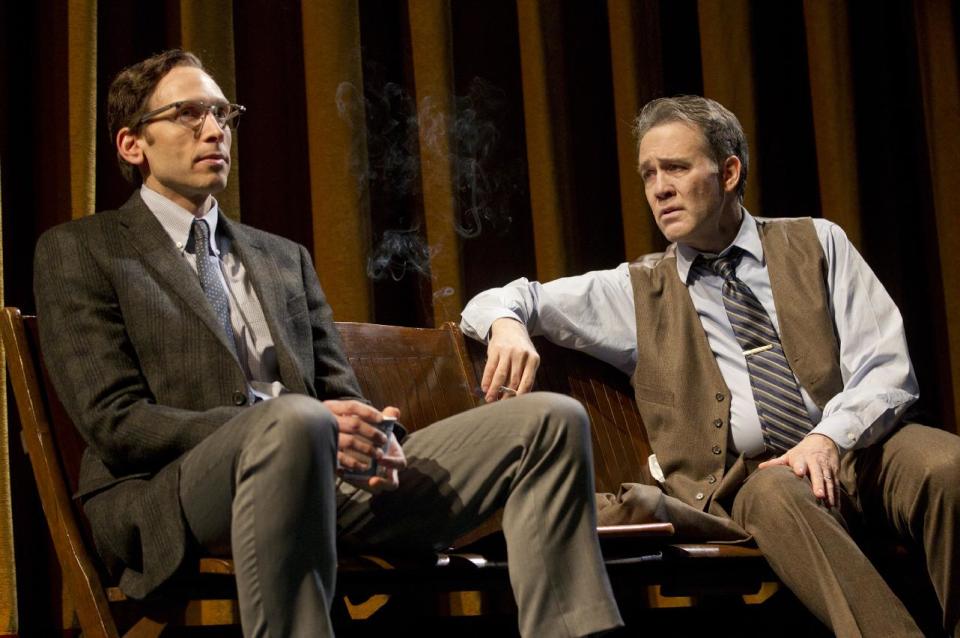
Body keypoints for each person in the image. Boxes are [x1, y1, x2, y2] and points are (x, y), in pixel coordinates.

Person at [33, 49, 623, 637]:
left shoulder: (281, 258)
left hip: (326, 473)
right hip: (175, 491)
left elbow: (341, 393)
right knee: (295, 421)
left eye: (222, 113)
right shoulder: (83, 251)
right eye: (188, 114)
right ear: (132, 145)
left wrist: (377, 436)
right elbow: (116, 422)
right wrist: (291, 420)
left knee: (549, 420)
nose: (214, 130)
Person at [461, 95, 960, 637]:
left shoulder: (817, 240)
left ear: (728, 172)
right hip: (752, 480)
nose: (659, 188)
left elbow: (885, 366)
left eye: (675, 167)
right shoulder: (636, 290)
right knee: (775, 494)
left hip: (859, 448)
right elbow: (506, 299)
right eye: (648, 173)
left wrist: (828, 438)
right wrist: (505, 324)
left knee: (948, 466)